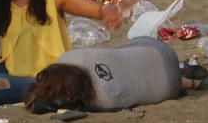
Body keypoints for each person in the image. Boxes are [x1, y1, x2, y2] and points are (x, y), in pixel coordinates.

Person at [24, 38, 190, 113]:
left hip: (170, 88)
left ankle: (189, 82)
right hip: (159, 50)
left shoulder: (102, 100)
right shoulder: (70, 57)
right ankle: (190, 81)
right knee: (122, 56)